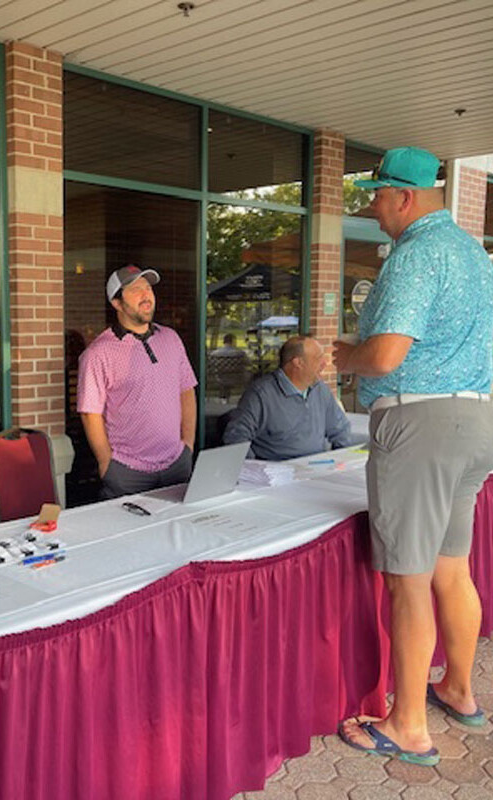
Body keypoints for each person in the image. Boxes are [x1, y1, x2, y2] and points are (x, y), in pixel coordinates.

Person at [333, 147, 493, 766]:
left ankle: (407, 726)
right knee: (454, 569)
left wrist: (339, 358)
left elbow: (385, 356)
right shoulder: (474, 254)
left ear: (404, 197)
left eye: (375, 196)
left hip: (419, 421)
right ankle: (458, 689)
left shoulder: (416, 254)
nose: (371, 209)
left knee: (408, 581)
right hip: (476, 416)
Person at [77, 264, 197, 499]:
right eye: (135, 290)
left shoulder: (171, 339)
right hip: (127, 472)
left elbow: (186, 391)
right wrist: (106, 463)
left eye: (148, 289)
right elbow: (90, 413)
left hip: (176, 464)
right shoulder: (98, 353)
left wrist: (188, 445)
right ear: (117, 303)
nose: (146, 295)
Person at [222, 335, 352, 459]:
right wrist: (256, 472)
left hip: (317, 468)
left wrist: (340, 461)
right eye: (318, 358)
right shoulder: (261, 394)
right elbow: (236, 437)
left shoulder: (320, 389)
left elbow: (340, 429)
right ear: (298, 363)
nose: (324, 364)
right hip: (278, 472)